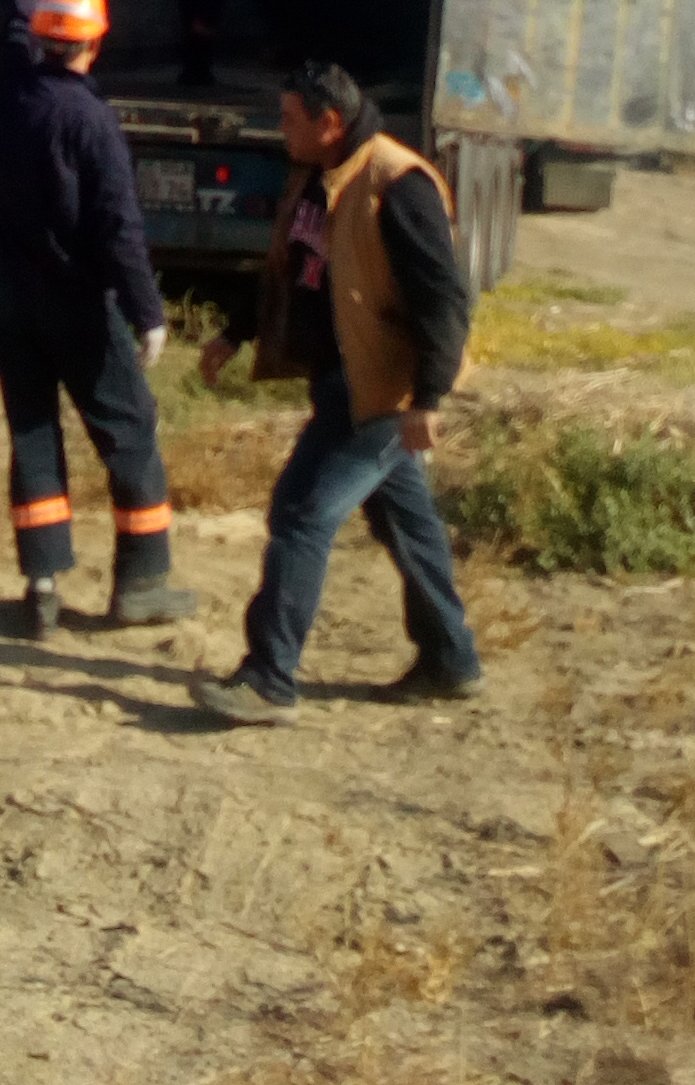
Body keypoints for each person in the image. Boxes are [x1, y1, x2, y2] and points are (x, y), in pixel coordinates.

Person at [194, 59, 480, 724]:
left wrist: (428, 399)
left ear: (329, 122)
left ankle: (269, 680)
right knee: (403, 521)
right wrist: (235, 333)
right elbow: (290, 268)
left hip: (378, 390)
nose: (280, 129)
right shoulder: (316, 175)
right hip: (341, 378)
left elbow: (444, 301)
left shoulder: (397, 184)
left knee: (301, 511)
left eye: (289, 119)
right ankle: (452, 659)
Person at [0, 0, 196, 640]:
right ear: (96, 43)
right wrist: (149, 313)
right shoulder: (91, 122)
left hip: (13, 298)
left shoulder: (9, 90)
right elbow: (117, 228)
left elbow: (16, 30)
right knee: (129, 433)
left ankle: (41, 591)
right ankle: (142, 584)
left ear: (45, 38)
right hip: (76, 303)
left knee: (33, 434)